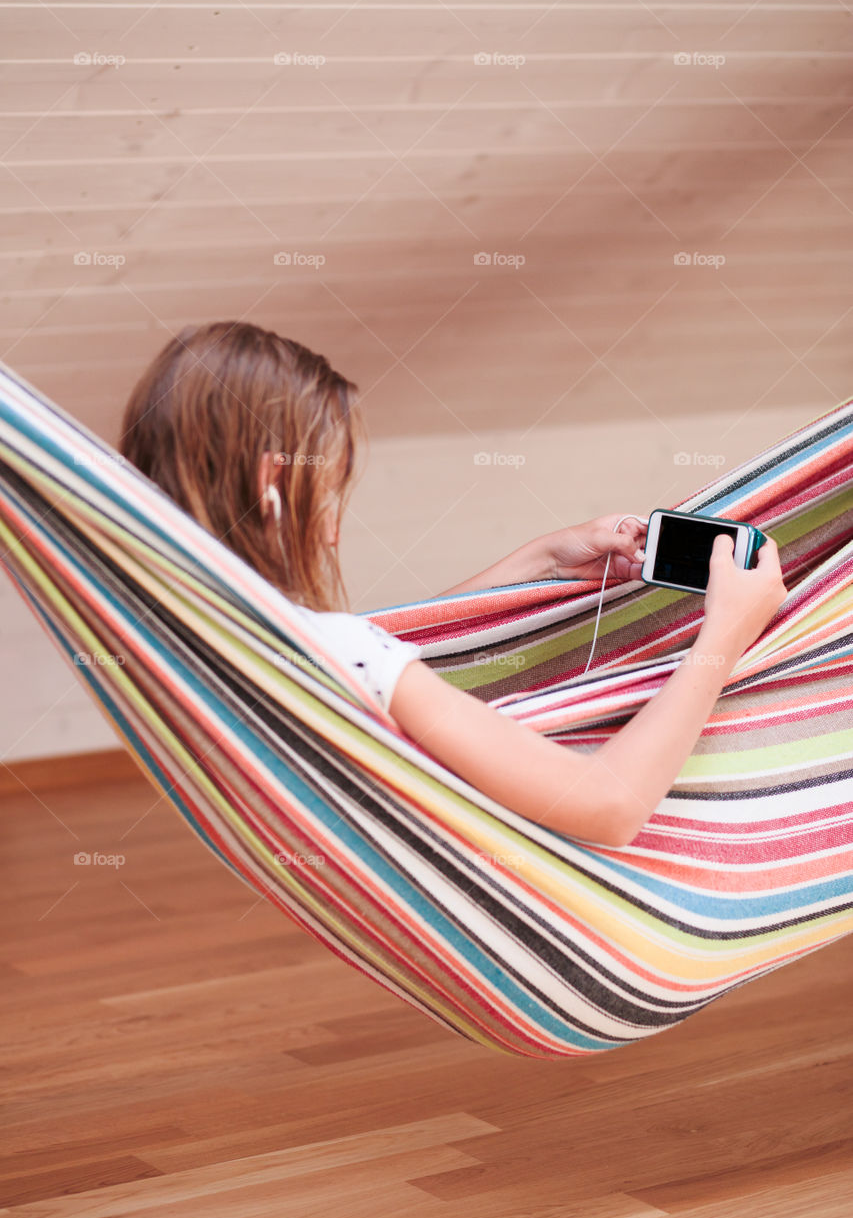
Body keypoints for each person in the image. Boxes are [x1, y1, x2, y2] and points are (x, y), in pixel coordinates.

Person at [119, 321, 787, 851]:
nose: (331, 527)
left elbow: (382, 651)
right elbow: (608, 807)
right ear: (273, 483)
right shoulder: (333, 646)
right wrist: (723, 636)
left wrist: (542, 560)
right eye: (329, 487)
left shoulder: (192, 621)